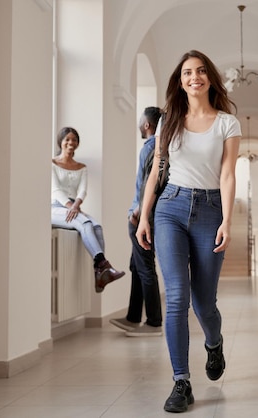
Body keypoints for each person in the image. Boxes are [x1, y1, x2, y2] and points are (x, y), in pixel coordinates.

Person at [135, 50, 241, 413]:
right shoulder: (169, 122)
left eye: (199, 71)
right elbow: (155, 172)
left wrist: (228, 219)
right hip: (171, 210)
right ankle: (181, 380)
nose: (193, 77)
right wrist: (145, 215)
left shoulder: (227, 123)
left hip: (211, 211)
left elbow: (228, 175)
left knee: (204, 304)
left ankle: (214, 343)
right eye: (186, 73)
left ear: (209, 77)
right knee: (177, 296)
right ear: (180, 82)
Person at [51, 127, 125, 293]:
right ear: (61, 142)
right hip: (55, 207)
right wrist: (72, 207)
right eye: (67, 139)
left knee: (97, 226)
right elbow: (56, 190)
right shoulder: (53, 163)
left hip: (73, 207)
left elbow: (82, 190)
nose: (71, 142)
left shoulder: (81, 167)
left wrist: (76, 206)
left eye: (74, 140)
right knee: (84, 223)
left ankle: (100, 274)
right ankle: (103, 265)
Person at [110, 107, 164, 337]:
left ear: (147, 125)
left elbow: (152, 183)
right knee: (137, 266)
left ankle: (153, 322)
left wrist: (139, 213)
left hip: (142, 217)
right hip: (143, 215)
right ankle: (133, 317)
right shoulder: (156, 147)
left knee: (145, 269)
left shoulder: (151, 148)